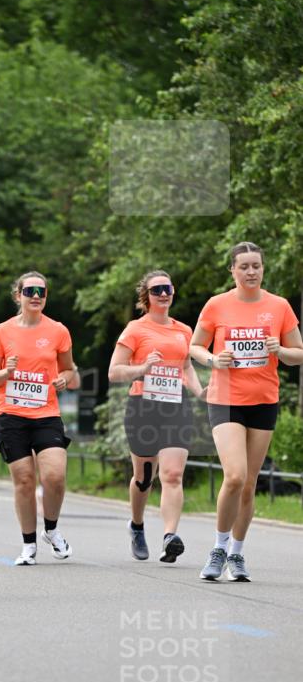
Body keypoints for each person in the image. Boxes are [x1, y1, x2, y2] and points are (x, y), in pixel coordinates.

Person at [190, 242, 303, 581]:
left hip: (263, 400)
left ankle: (237, 554)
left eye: (256, 266)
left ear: (263, 269)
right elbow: (195, 346)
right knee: (235, 476)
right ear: (233, 270)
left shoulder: (279, 306)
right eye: (244, 266)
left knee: (250, 483)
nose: (251, 272)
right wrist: (213, 359)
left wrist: (280, 350)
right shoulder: (217, 304)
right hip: (226, 399)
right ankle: (218, 549)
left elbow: (298, 353)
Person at [108, 270, 207, 562]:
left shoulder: (184, 330)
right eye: (156, 290)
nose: (163, 294)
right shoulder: (135, 329)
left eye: (167, 288)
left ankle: (169, 537)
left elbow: (186, 367)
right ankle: (137, 526)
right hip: (143, 407)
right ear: (147, 296)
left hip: (175, 406)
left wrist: (200, 391)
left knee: (173, 474)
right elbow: (114, 372)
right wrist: (142, 369)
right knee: (144, 478)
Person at [0, 271, 75, 566]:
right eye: (29, 291)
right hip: (10, 415)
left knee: (54, 477)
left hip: (46, 414)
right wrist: (6, 372)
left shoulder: (58, 331)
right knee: (24, 480)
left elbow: (69, 369)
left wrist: (63, 379)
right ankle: (28, 545)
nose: (36, 296)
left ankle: (51, 529)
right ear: (18, 295)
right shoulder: (2, 331)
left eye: (41, 292)